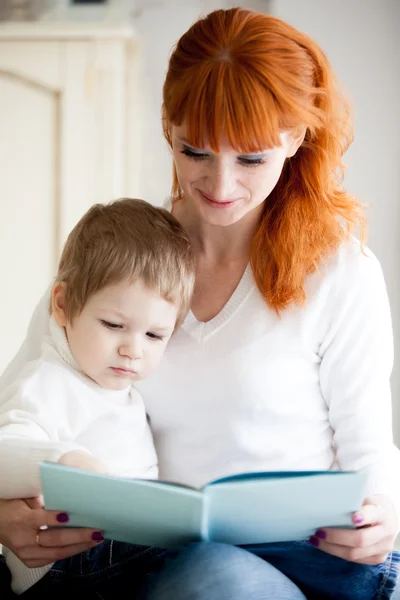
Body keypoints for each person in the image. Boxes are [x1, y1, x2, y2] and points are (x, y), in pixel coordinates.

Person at [0, 7, 399, 600]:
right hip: (145, 565)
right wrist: (8, 519)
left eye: (251, 158)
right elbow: (16, 425)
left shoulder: (341, 272)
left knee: (218, 576)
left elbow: (371, 454)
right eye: (196, 153)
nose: (220, 185)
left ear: (294, 137)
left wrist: (382, 519)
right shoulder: (120, 261)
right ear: (169, 125)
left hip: (302, 567)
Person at [0, 198, 195, 595]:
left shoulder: (125, 393)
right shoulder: (48, 381)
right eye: (113, 324)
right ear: (63, 304)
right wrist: (65, 461)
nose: (133, 349)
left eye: (155, 335)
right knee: (189, 543)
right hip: (59, 565)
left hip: (110, 560)